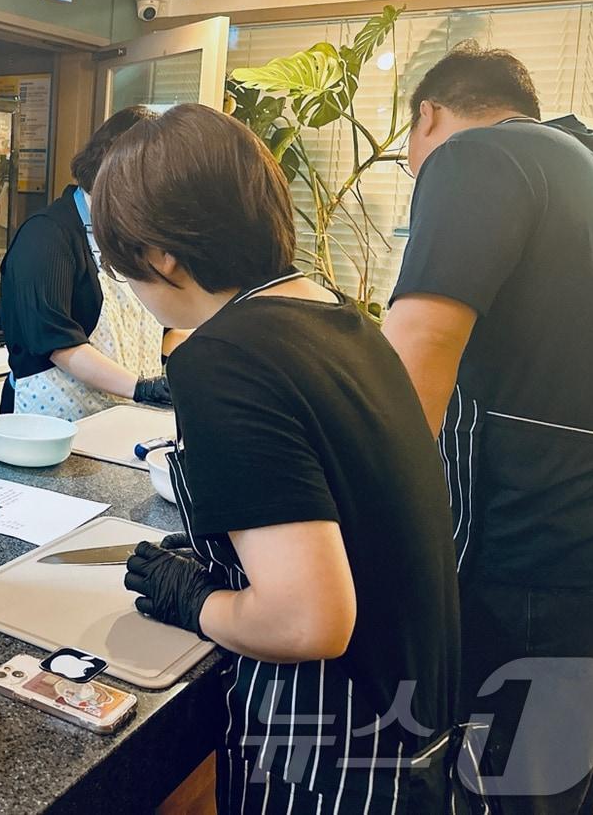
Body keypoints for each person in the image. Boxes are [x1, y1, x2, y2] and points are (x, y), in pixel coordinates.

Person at [93, 104, 461, 812]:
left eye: (124, 265)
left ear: (161, 253)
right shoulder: (336, 316)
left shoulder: (226, 357)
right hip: (411, 735)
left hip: (329, 758)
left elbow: (306, 621)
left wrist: (196, 601)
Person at [382, 42, 593, 813]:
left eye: (409, 155)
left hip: (535, 559)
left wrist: (356, 521)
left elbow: (415, 352)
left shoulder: (476, 154)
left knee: (510, 795)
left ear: (430, 115)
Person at [0, 106, 175, 421]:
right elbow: (57, 343)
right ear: (113, 169)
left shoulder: (131, 235)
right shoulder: (47, 235)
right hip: (53, 426)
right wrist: (141, 388)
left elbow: (161, 330)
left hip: (123, 419)